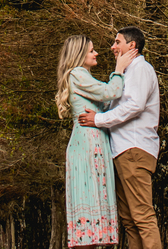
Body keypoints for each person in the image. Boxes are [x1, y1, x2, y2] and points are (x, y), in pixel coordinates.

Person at [78, 27, 161, 249]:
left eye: (117, 42)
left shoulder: (141, 69)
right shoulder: (127, 72)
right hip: (123, 152)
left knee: (142, 216)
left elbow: (135, 105)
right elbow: (117, 103)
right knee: (129, 220)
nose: (112, 47)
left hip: (135, 149)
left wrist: (98, 120)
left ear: (131, 45)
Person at [57, 34, 137, 248]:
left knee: (96, 205)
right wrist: (119, 69)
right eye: (91, 50)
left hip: (96, 143)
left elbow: (108, 98)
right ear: (79, 54)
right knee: (89, 202)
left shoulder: (84, 76)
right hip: (86, 144)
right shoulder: (77, 74)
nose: (96, 53)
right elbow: (111, 92)